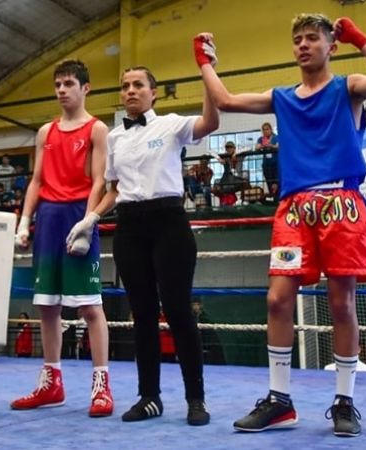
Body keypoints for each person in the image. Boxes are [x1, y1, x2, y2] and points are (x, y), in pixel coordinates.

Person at [197, 13, 366, 437]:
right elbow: (227, 102)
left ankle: (345, 402)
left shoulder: (348, 88)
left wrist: (361, 39)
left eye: (313, 37)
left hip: (340, 205)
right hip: (294, 210)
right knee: (277, 299)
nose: (304, 45)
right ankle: (279, 401)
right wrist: (204, 62)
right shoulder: (282, 97)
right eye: (298, 39)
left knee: (342, 303)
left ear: (331, 45)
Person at [82, 65, 219, 426]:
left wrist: (207, 72)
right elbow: (113, 189)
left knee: (177, 311)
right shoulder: (114, 138)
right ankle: (149, 397)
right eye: (125, 85)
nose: (130, 91)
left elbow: (210, 123)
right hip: (128, 226)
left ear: (153, 92)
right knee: (141, 314)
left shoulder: (171, 124)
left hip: (169, 222)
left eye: (137, 85)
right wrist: (92, 218)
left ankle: (196, 399)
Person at [12, 60, 113, 418]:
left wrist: (88, 222)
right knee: (46, 304)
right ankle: (51, 382)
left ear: (85, 88)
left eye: (68, 83)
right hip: (48, 218)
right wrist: (24, 221)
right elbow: (37, 180)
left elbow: (99, 180)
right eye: (57, 84)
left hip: (77, 213)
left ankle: (101, 385)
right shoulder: (45, 132)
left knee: (89, 306)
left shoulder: (98, 129)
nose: (61, 89)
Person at [256, 122, 280, 198]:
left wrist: (270, 145)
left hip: (276, 164)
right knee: (269, 182)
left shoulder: (276, 137)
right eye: (264, 130)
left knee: (276, 183)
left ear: (270, 129)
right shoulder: (261, 139)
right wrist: (262, 146)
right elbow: (257, 147)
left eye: (267, 129)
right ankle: (273, 198)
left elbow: (278, 146)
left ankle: (278, 199)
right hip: (266, 164)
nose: (266, 131)